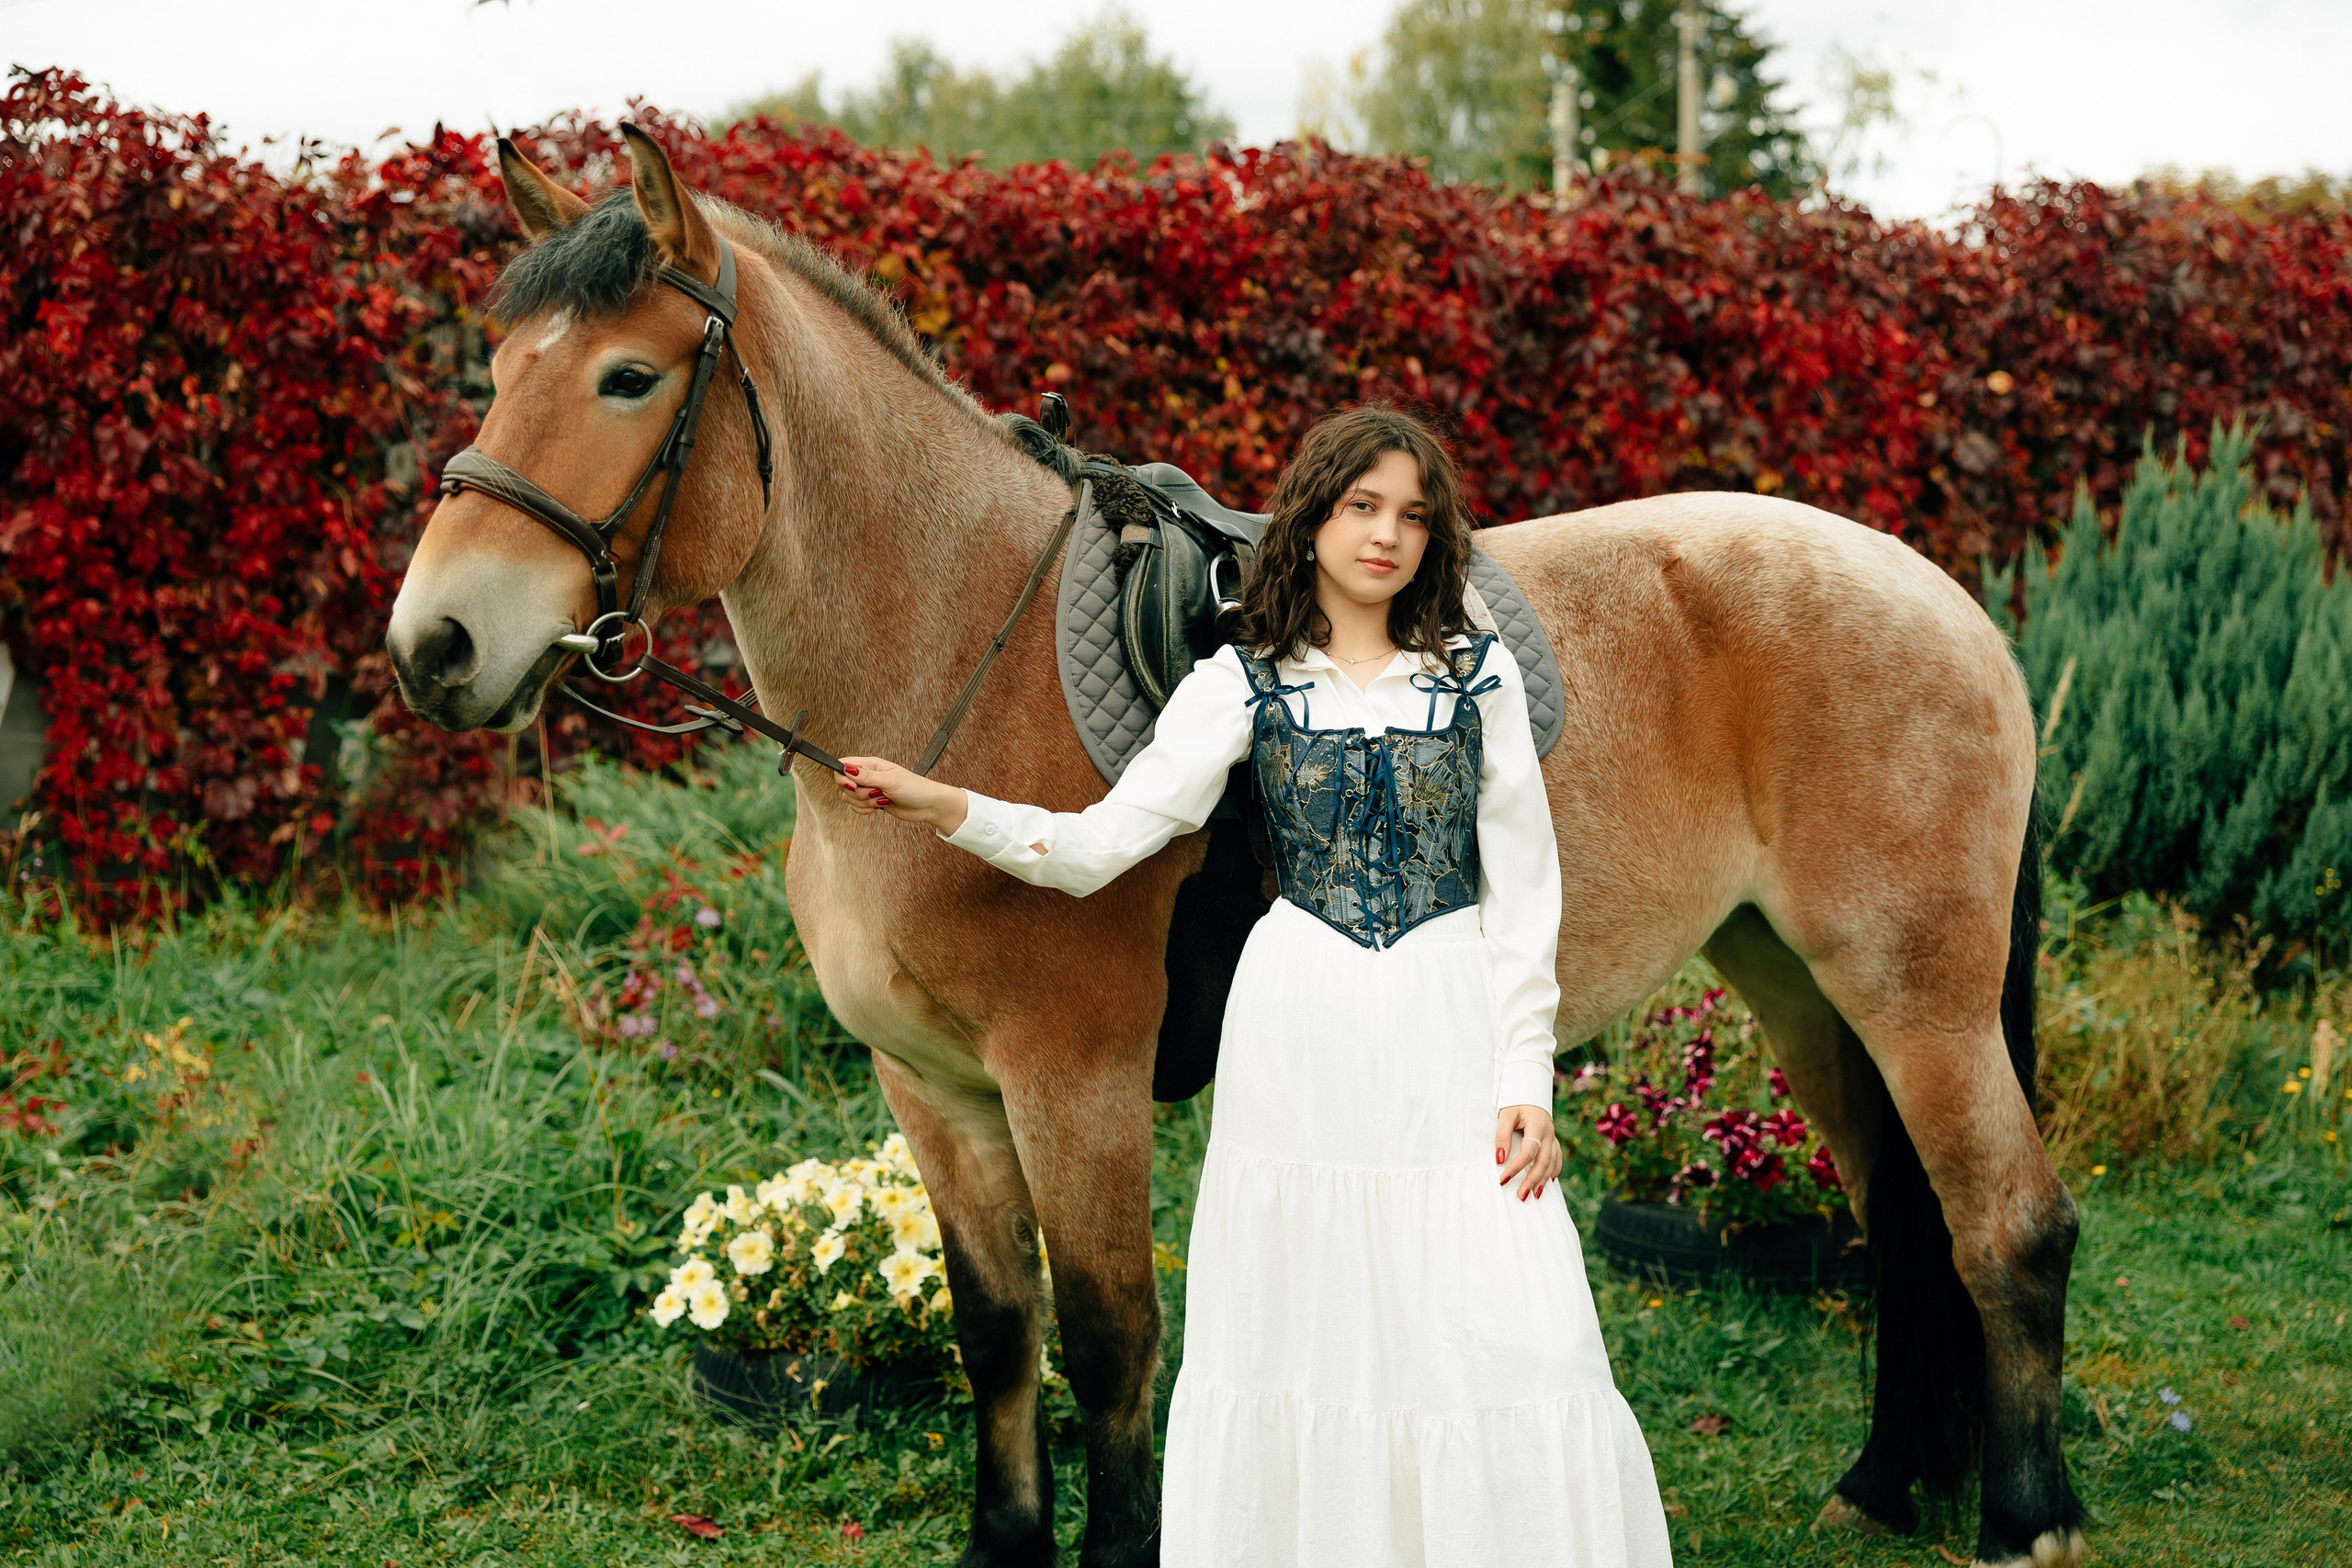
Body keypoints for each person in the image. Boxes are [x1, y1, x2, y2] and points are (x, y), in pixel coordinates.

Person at [836, 405, 1673, 1567]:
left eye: (1413, 516)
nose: (1385, 536)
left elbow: (1525, 891)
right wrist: (946, 806)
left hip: (1445, 1012)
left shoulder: (1476, 679)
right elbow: (1100, 844)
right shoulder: (1240, 682)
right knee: (1302, 1319)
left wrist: (1525, 1074)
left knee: (1509, 1313)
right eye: (1361, 507)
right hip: (1296, 1026)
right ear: (1313, 519)